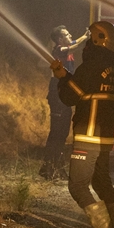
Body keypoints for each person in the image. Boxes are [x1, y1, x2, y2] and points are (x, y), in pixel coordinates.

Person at [51, 20, 114, 228]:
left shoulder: (90, 66)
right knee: (102, 182)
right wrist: (67, 76)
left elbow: (71, 96)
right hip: (105, 136)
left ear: (96, 40)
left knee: (77, 185)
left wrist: (62, 78)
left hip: (88, 134)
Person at [40, 25, 87, 179]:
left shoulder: (66, 46)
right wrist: (85, 38)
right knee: (56, 131)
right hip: (57, 91)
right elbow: (74, 46)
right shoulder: (59, 50)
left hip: (65, 91)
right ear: (60, 39)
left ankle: (57, 166)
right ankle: (48, 167)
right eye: (67, 35)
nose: (70, 36)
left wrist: (85, 35)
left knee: (63, 132)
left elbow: (74, 42)